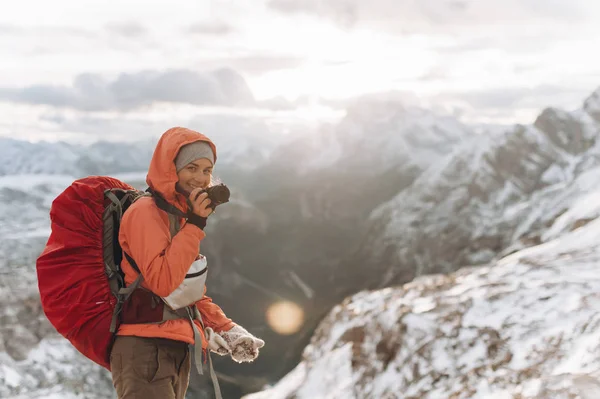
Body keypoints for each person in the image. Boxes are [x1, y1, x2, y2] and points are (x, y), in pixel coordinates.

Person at [110, 126, 265, 399]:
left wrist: (227, 329)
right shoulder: (146, 213)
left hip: (172, 348)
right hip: (146, 348)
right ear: (171, 168)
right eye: (192, 168)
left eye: (207, 170)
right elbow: (162, 283)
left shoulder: (178, 217)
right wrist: (195, 225)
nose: (201, 178)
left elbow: (186, 293)